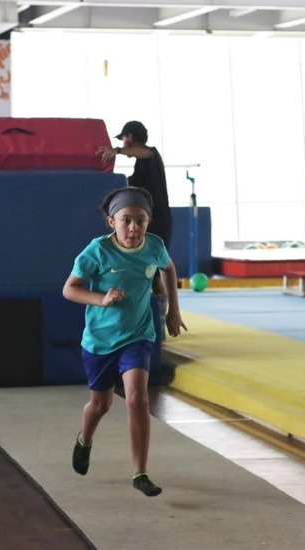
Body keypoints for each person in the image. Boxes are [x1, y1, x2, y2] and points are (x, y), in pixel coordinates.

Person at [63, 186, 186, 497]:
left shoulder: (154, 246)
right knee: (100, 404)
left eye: (141, 221)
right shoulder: (97, 251)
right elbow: (70, 289)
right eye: (126, 221)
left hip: (139, 334)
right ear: (111, 222)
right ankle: (85, 439)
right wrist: (101, 300)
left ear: (149, 221)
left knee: (137, 398)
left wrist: (173, 309)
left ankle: (140, 472)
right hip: (100, 339)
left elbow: (168, 268)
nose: (133, 228)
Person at [97, 121, 172, 298]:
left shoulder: (150, 154)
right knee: (148, 272)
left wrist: (116, 151)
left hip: (156, 222)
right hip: (150, 221)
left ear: (129, 137)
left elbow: (145, 152)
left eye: (123, 140)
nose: (122, 143)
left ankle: (164, 312)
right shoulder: (140, 172)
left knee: (155, 271)